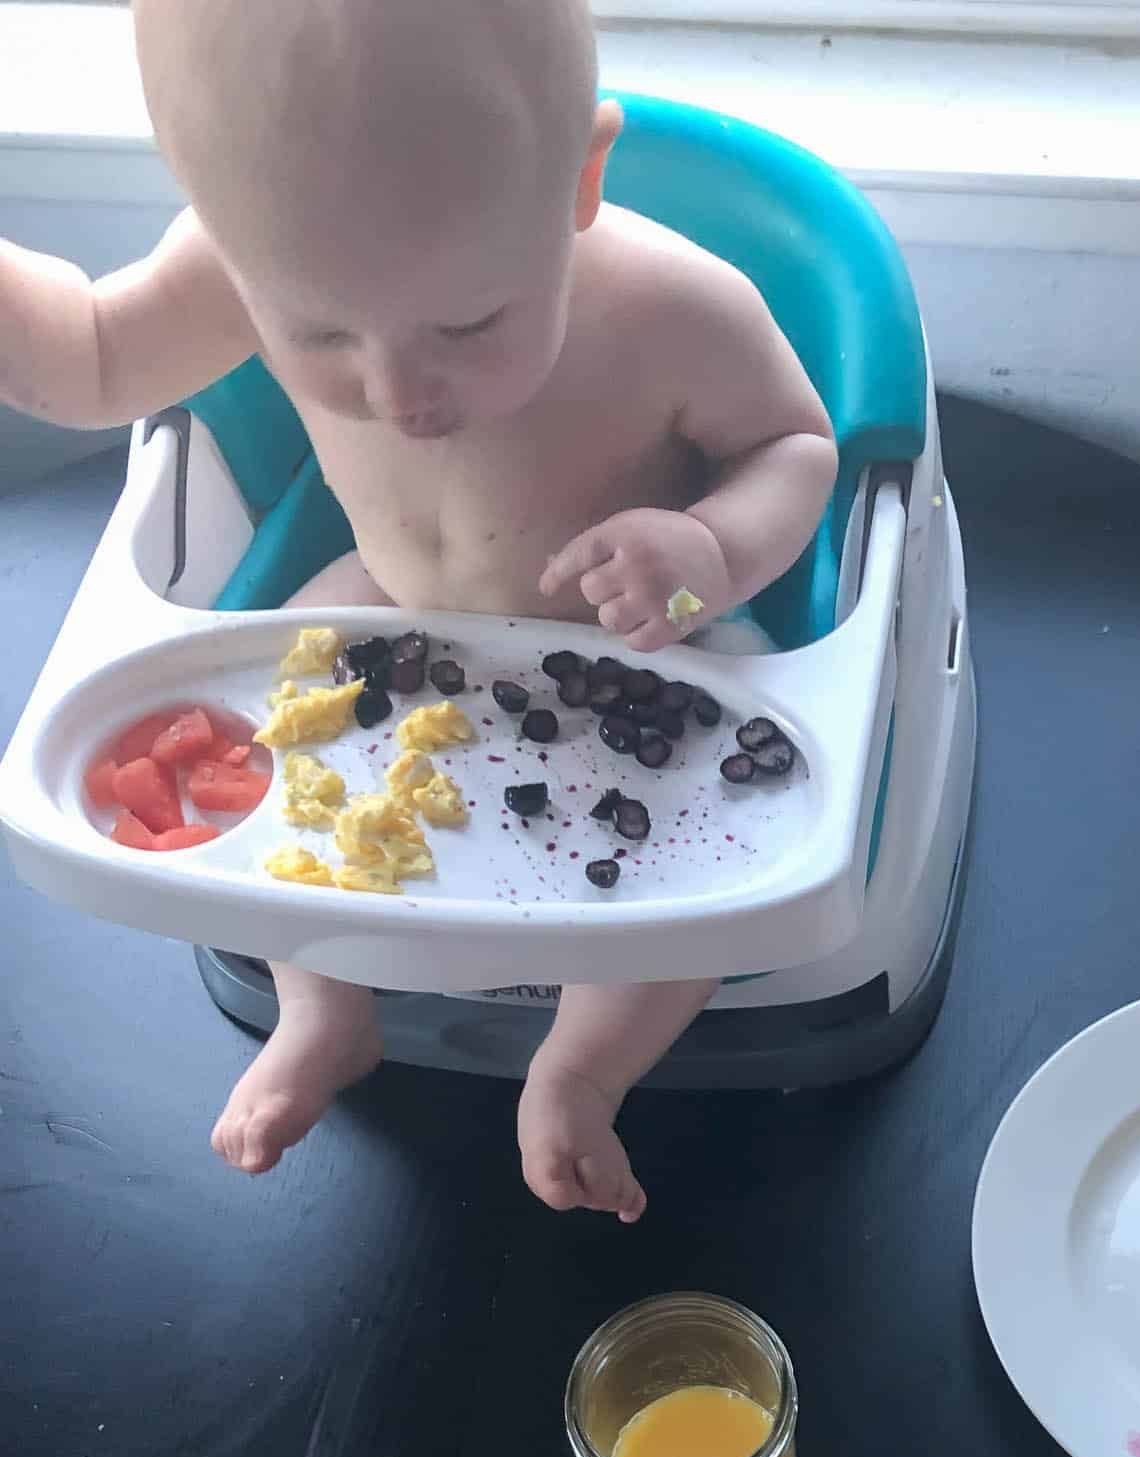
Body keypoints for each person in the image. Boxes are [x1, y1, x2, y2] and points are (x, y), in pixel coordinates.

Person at [0, 0, 836, 1219]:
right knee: (279, 746)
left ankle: (582, 1067)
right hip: (393, 603)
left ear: (581, 181)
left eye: (470, 323)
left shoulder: (672, 310)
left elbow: (795, 445)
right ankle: (323, 1007)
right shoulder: (246, 263)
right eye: (319, 331)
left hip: (636, 646)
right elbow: (87, 357)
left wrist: (706, 548)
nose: (398, 394)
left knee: (694, 868)